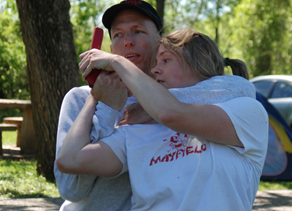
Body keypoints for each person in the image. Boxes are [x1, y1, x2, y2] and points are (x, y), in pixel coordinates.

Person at [56, 29, 269, 210]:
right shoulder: (137, 127)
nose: (155, 69)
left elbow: (170, 113)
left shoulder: (246, 111)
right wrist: (95, 98)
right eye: (156, 62)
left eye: (166, 60)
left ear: (200, 63)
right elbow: (70, 160)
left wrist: (117, 61)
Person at [54, 0, 163, 211]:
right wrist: (105, 109)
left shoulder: (173, 103)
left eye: (138, 31)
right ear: (111, 48)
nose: (128, 41)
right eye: (118, 35)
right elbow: (70, 190)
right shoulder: (79, 99)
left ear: (160, 41)